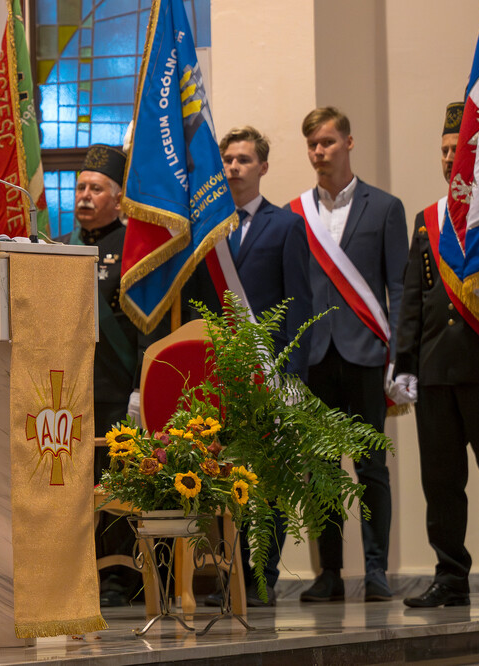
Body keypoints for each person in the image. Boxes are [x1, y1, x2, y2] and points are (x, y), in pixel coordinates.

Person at [395, 102, 479, 609]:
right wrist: (403, 365)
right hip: (434, 371)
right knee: (442, 481)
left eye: (458, 149)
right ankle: (450, 575)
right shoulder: (427, 220)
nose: (449, 157)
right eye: (444, 150)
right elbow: (412, 299)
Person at [180, 126, 312, 607]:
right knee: (219, 475)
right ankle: (224, 575)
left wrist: (290, 376)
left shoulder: (286, 225)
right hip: (219, 375)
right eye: (228, 160)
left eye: (243, 160)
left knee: (269, 483)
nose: (234, 167)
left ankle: (264, 577)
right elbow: (197, 303)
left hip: (269, 373)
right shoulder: (209, 229)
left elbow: (298, 303)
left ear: (263, 167)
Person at [289, 107, 408, 602]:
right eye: (313, 144)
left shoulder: (385, 208)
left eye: (328, 143)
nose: (320, 152)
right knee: (319, 470)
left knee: (371, 467)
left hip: (365, 355)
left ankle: (377, 571)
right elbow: (290, 294)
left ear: (349, 143)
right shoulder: (295, 214)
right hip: (315, 359)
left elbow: (399, 289)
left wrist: (400, 358)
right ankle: (330, 573)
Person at [57, 144, 142, 607]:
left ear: (118, 196)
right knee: (72, 487)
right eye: (80, 188)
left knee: (114, 487)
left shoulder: (134, 248)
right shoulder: (62, 246)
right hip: (68, 390)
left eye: (96, 189)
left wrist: (140, 386)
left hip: (115, 387)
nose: (85, 197)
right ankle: (78, 573)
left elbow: (145, 324)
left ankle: (118, 579)